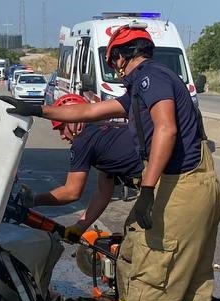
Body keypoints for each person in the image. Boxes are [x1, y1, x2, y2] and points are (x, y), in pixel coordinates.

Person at [7, 22, 220, 301]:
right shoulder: (147, 85)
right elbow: (88, 110)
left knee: (150, 281)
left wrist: (149, 189)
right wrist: (38, 109)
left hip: (178, 187)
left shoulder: (148, 78)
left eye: (115, 62)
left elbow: (166, 129)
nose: (116, 69)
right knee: (193, 281)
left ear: (121, 57)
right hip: (200, 186)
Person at [20, 92, 142, 235]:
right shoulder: (103, 133)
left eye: (61, 128)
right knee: (132, 237)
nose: (62, 136)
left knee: (139, 242)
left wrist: (34, 200)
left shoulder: (83, 141)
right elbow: (103, 193)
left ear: (73, 120)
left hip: (163, 181)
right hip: (159, 178)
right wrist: (79, 227)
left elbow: (71, 193)